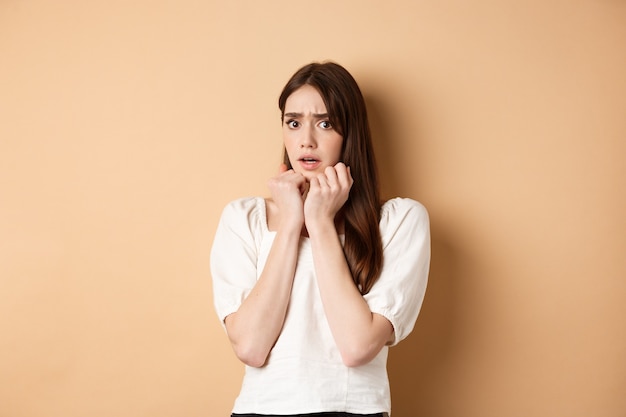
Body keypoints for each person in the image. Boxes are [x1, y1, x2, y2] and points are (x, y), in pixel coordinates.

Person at [210, 61, 430, 417]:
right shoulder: (243, 218)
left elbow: (357, 347)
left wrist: (320, 221)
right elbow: (250, 346)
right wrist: (291, 222)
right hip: (259, 409)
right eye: (293, 123)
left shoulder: (399, 221)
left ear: (350, 134)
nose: (306, 140)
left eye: (325, 123)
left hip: (355, 410)